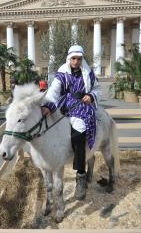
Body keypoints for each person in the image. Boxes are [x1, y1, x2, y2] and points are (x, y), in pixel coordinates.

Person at [41, 45, 101, 200]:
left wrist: (92, 96)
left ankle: (81, 175)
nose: (76, 61)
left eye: (79, 59)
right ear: (69, 58)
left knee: (79, 136)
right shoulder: (62, 74)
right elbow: (54, 91)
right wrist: (48, 105)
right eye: (74, 58)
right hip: (66, 105)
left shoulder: (88, 73)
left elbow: (97, 88)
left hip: (82, 106)